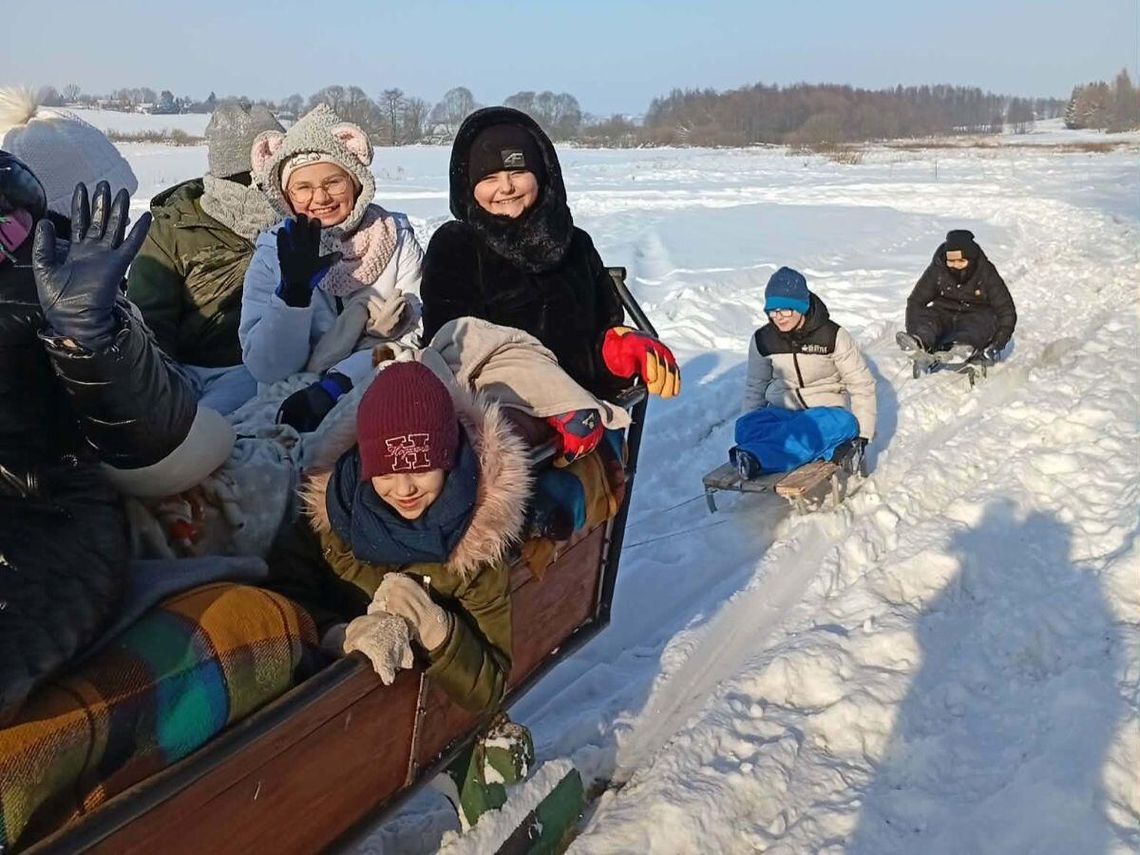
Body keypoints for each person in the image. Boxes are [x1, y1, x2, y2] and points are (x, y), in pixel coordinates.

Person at [267, 359, 531, 713]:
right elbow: (281, 596)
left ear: (447, 460)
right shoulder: (331, 517)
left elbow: (490, 688)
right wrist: (340, 634)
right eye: (386, 472)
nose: (404, 488)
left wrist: (435, 626)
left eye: (421, 468)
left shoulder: (476, 543)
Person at [420, 107, 679, 462]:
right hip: (497, 414)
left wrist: (619, 352)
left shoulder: (575, 244)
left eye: (517, 171)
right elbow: (454, 348)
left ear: (542, 173)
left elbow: (599, 336)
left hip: (585, 418)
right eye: (490, 177)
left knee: (567, 498)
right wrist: (545, 403)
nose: (506, 187)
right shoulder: (456, 246)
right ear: (468, 185)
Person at [239, 105, 422, 432]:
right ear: (285, 195)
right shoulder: (271, 253)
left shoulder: (396, 238)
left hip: (378, 386)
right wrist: (293, 296)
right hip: (288, 403)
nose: (320, 197)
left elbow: (416, 333)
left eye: (333, 182)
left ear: (356, 182)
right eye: (303, 188)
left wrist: (339, 382)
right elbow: (266, 368)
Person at [126, 102, 284, 414]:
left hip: (251, 370)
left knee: (216, 429)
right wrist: (161, 385)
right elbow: (149, 317)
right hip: (180, 370)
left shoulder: (298, 223)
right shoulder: (175, 226)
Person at [731, 267, 877, 478]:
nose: (778, 317)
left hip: (824, 413)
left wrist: (862, 436)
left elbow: (861, 384)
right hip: (783, 414)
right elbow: (756, 384)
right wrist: (750, 421)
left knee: (844, 423)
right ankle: (821, 449)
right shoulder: (763, 339)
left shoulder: (832, 336)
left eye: (786, 310)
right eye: (772, 311)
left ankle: (758, 459)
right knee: (744, 426)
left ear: (801, 306)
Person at [897, 229, 1016, 363]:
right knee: (928, 318)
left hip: (976, 314)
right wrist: (914, 328)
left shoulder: (985, 272)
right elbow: (916, 300)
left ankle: (959, 349)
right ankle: (920, 341)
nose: (955, 266)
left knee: (978, 326)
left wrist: (996, 345)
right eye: (951, 261)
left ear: (970, 259)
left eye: (961, 261)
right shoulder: (939, 269)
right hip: (944, 312)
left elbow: (1006, 310)